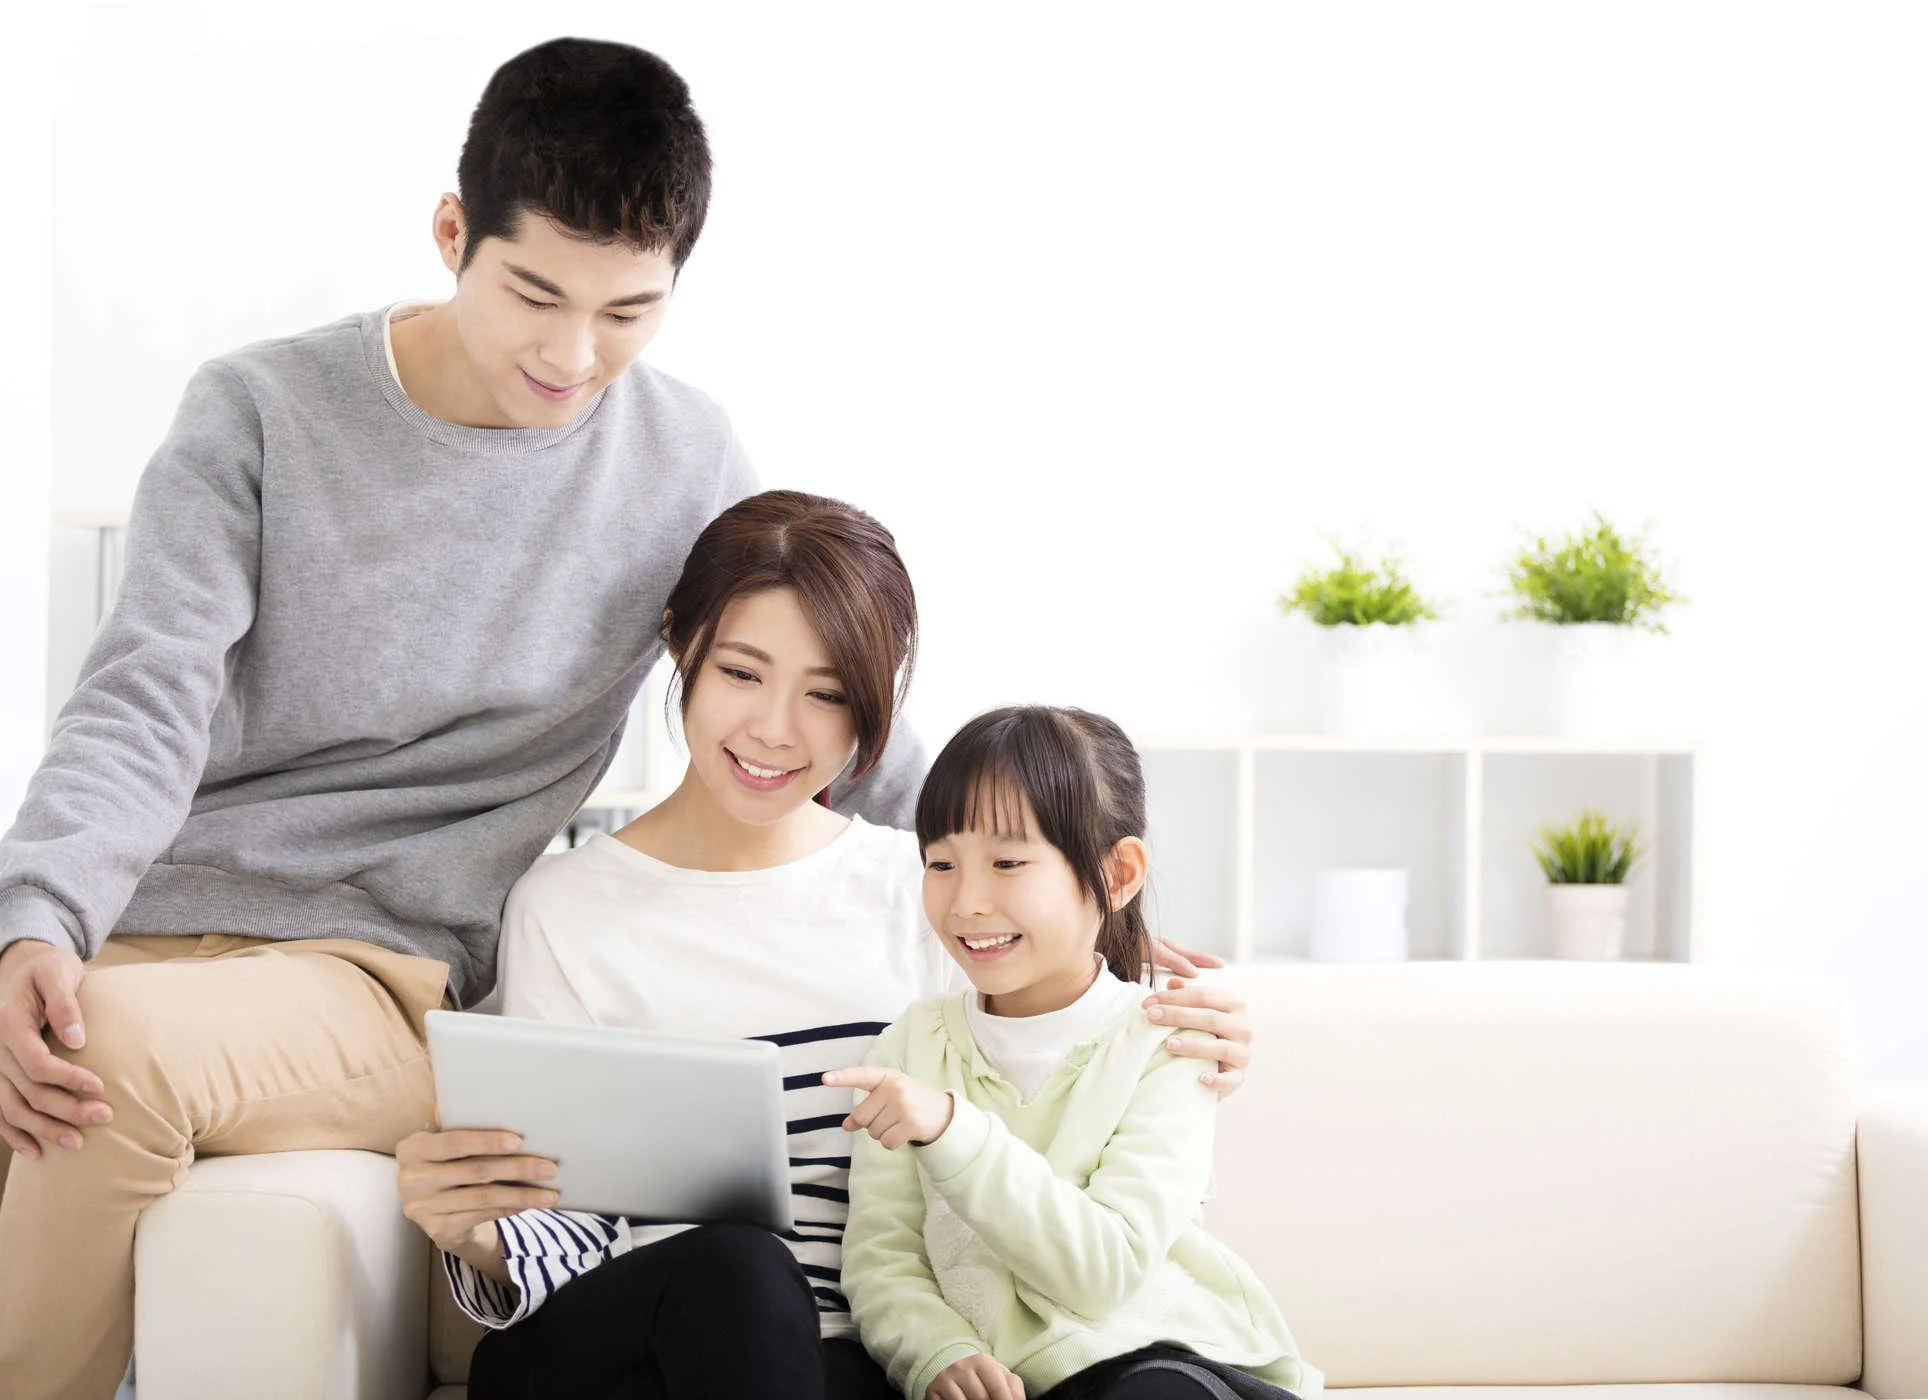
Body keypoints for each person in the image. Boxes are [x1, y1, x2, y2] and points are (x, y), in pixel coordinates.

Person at [0, 39, 921, 1399]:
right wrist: (41, 915)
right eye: (535, 294)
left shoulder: (681, 457)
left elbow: (819, 678)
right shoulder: (259, 411)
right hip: (154, 920)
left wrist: (1051, 882)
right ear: (451, 233)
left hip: (384, 972)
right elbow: (145, 689)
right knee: (72, 1020)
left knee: (106, 1057)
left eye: (629, 314)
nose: (573, 355)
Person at [396, 493, 1255, 1400]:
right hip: (650, 1338)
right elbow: (570, 1215)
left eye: (828, 694)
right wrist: (481, 1235)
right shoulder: (565, 909)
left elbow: (1073, 1102)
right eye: (740, 673)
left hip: (870, 1356)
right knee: (740, 1267)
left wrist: (1200, 1028)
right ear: (678, 643)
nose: (775, 728)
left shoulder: (935, 895)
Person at [835, 705, 1321, 1400]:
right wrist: (936, 1350)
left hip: (1150, 1365)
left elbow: (1104, 1272)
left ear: (1117, 875)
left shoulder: (1169, 1044)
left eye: (1008, 862)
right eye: (941, 862)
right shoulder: (910, 1048)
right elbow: (882, 1258)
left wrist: (952, 1129)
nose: (967, 901)